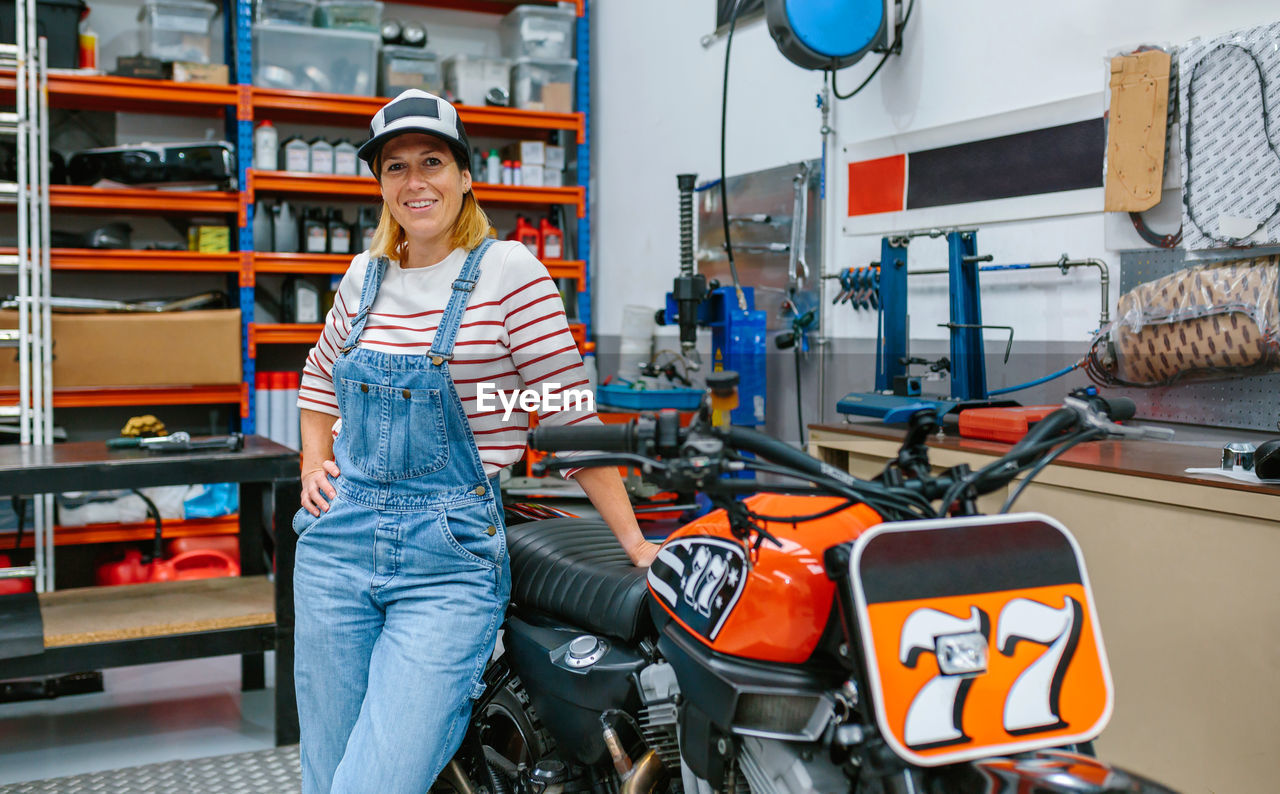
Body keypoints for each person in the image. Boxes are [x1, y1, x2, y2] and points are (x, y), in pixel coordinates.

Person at [291, 89, 658, 794]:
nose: (414, 181)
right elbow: (318, 377)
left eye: (432, 162)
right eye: (394, 167)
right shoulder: (364, 277)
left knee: (376, 781)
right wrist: (314, 459)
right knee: (328, 774)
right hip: (338, 546)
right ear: (380, 184)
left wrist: (636, 543)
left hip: (447, 558)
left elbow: (568, 416)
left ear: (466, 176)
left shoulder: (510, 273)